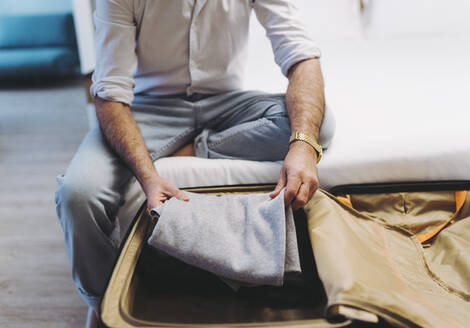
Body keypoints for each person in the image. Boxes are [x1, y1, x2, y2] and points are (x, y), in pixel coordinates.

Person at [55, 0, 335, 313]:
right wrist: (148, 175)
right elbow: (109, 92)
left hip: (226, 104)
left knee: (317, 126)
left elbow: (302, 57)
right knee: (77, 195)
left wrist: (302, 146)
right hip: (149, 110)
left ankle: (189, 147)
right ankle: (104, 304)